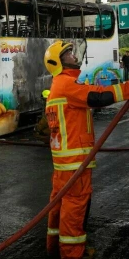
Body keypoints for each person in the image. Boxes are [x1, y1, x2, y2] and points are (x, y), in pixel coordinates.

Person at [44, 40, 129, 259]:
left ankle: (53, 249)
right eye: (68, 54)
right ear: (58, 63)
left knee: (58, 208)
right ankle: (72, 254)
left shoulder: (57, 87)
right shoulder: (66, 84)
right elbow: (99, 97)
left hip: (63, 166)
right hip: (75, 165)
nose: (73, 56)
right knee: (75, 211)